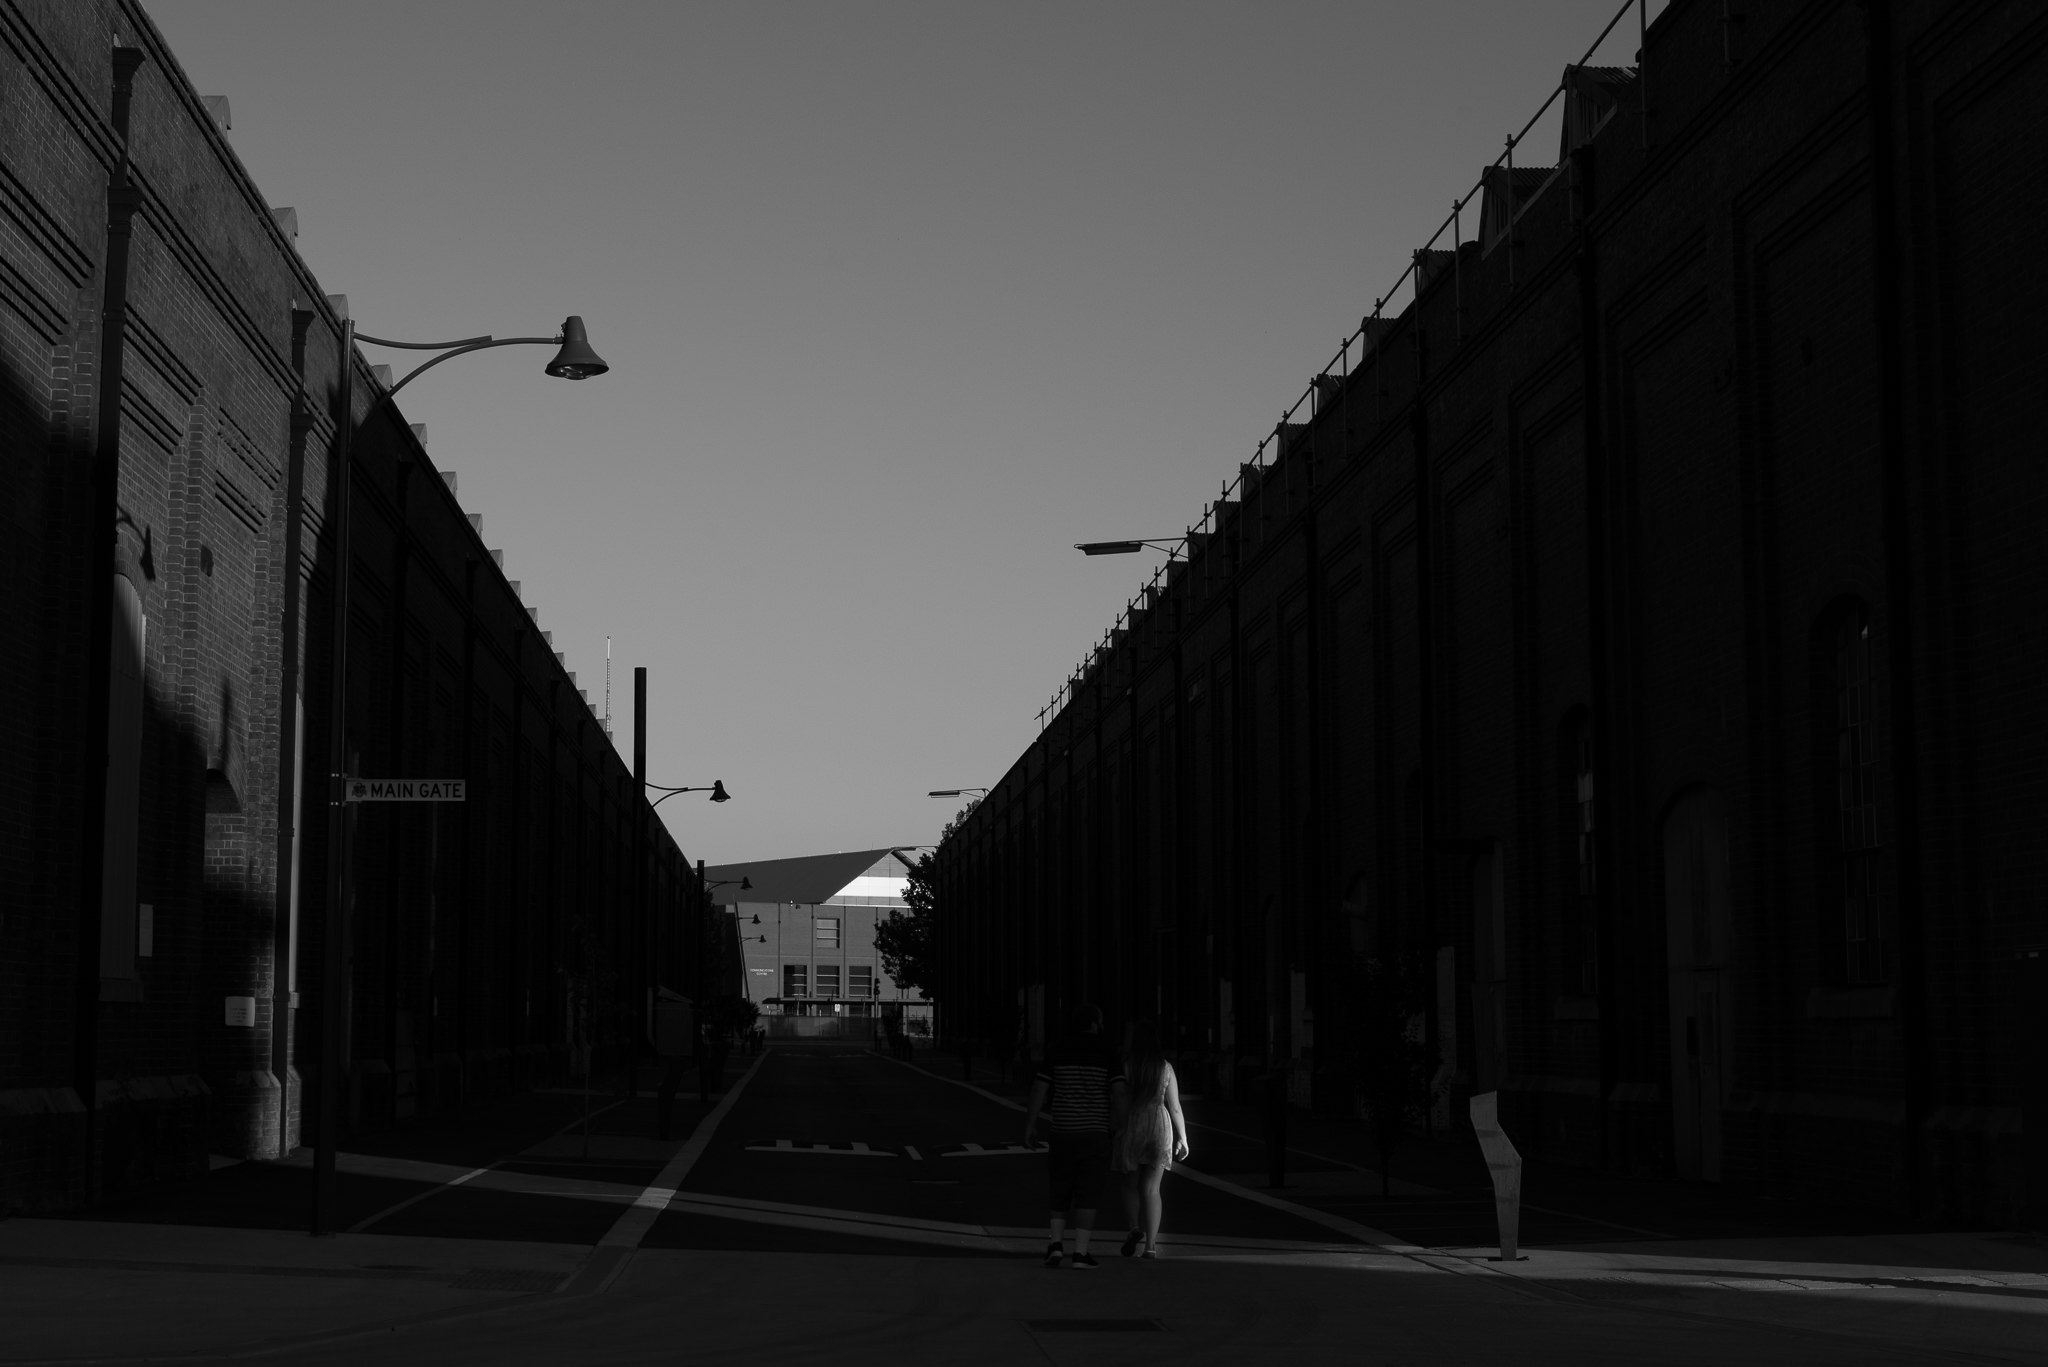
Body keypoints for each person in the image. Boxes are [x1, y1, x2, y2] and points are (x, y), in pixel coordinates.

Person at [1022, 1003, 1126, 1269]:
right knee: (1088, 1193)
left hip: (1063, 1131)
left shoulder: (1057, 1049)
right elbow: (1118, 1094)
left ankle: (1055, 1245)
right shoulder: (1108, 1053)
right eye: (1100, 1020)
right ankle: (1080, 1252)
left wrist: (1030, 1124)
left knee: (1060, 1189)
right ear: (1093, 1023)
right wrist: (1119, 1126)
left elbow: (1039, 1088)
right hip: (1095, 1132)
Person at [1114, 1018, 1189, 1260]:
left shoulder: (1126, 1066)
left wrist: (1118, 1127)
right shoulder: (1165, 1067)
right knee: (1152, 1189)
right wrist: (1183, 1138)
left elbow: (1120, 1099)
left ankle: (1134, 1228)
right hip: (1159, 1125)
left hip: (1133, 1124)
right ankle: (1151, 1246)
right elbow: (1175, 1106)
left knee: (1129, 1184)